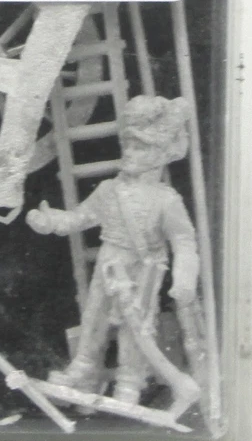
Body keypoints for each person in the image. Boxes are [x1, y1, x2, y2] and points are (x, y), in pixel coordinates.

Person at [27, 95, 200, 406]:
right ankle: (83, 365)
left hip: (144, 269)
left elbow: (184, 242)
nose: (129, 152)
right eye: (128, 145)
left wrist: (184, 280)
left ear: (160, 154)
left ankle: (130, 381)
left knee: (137, 327)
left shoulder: (167, 200)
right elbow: (80, 217)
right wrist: (50, 221)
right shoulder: (109, 191)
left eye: (140, 147)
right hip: (109, 263)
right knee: (94, 315)